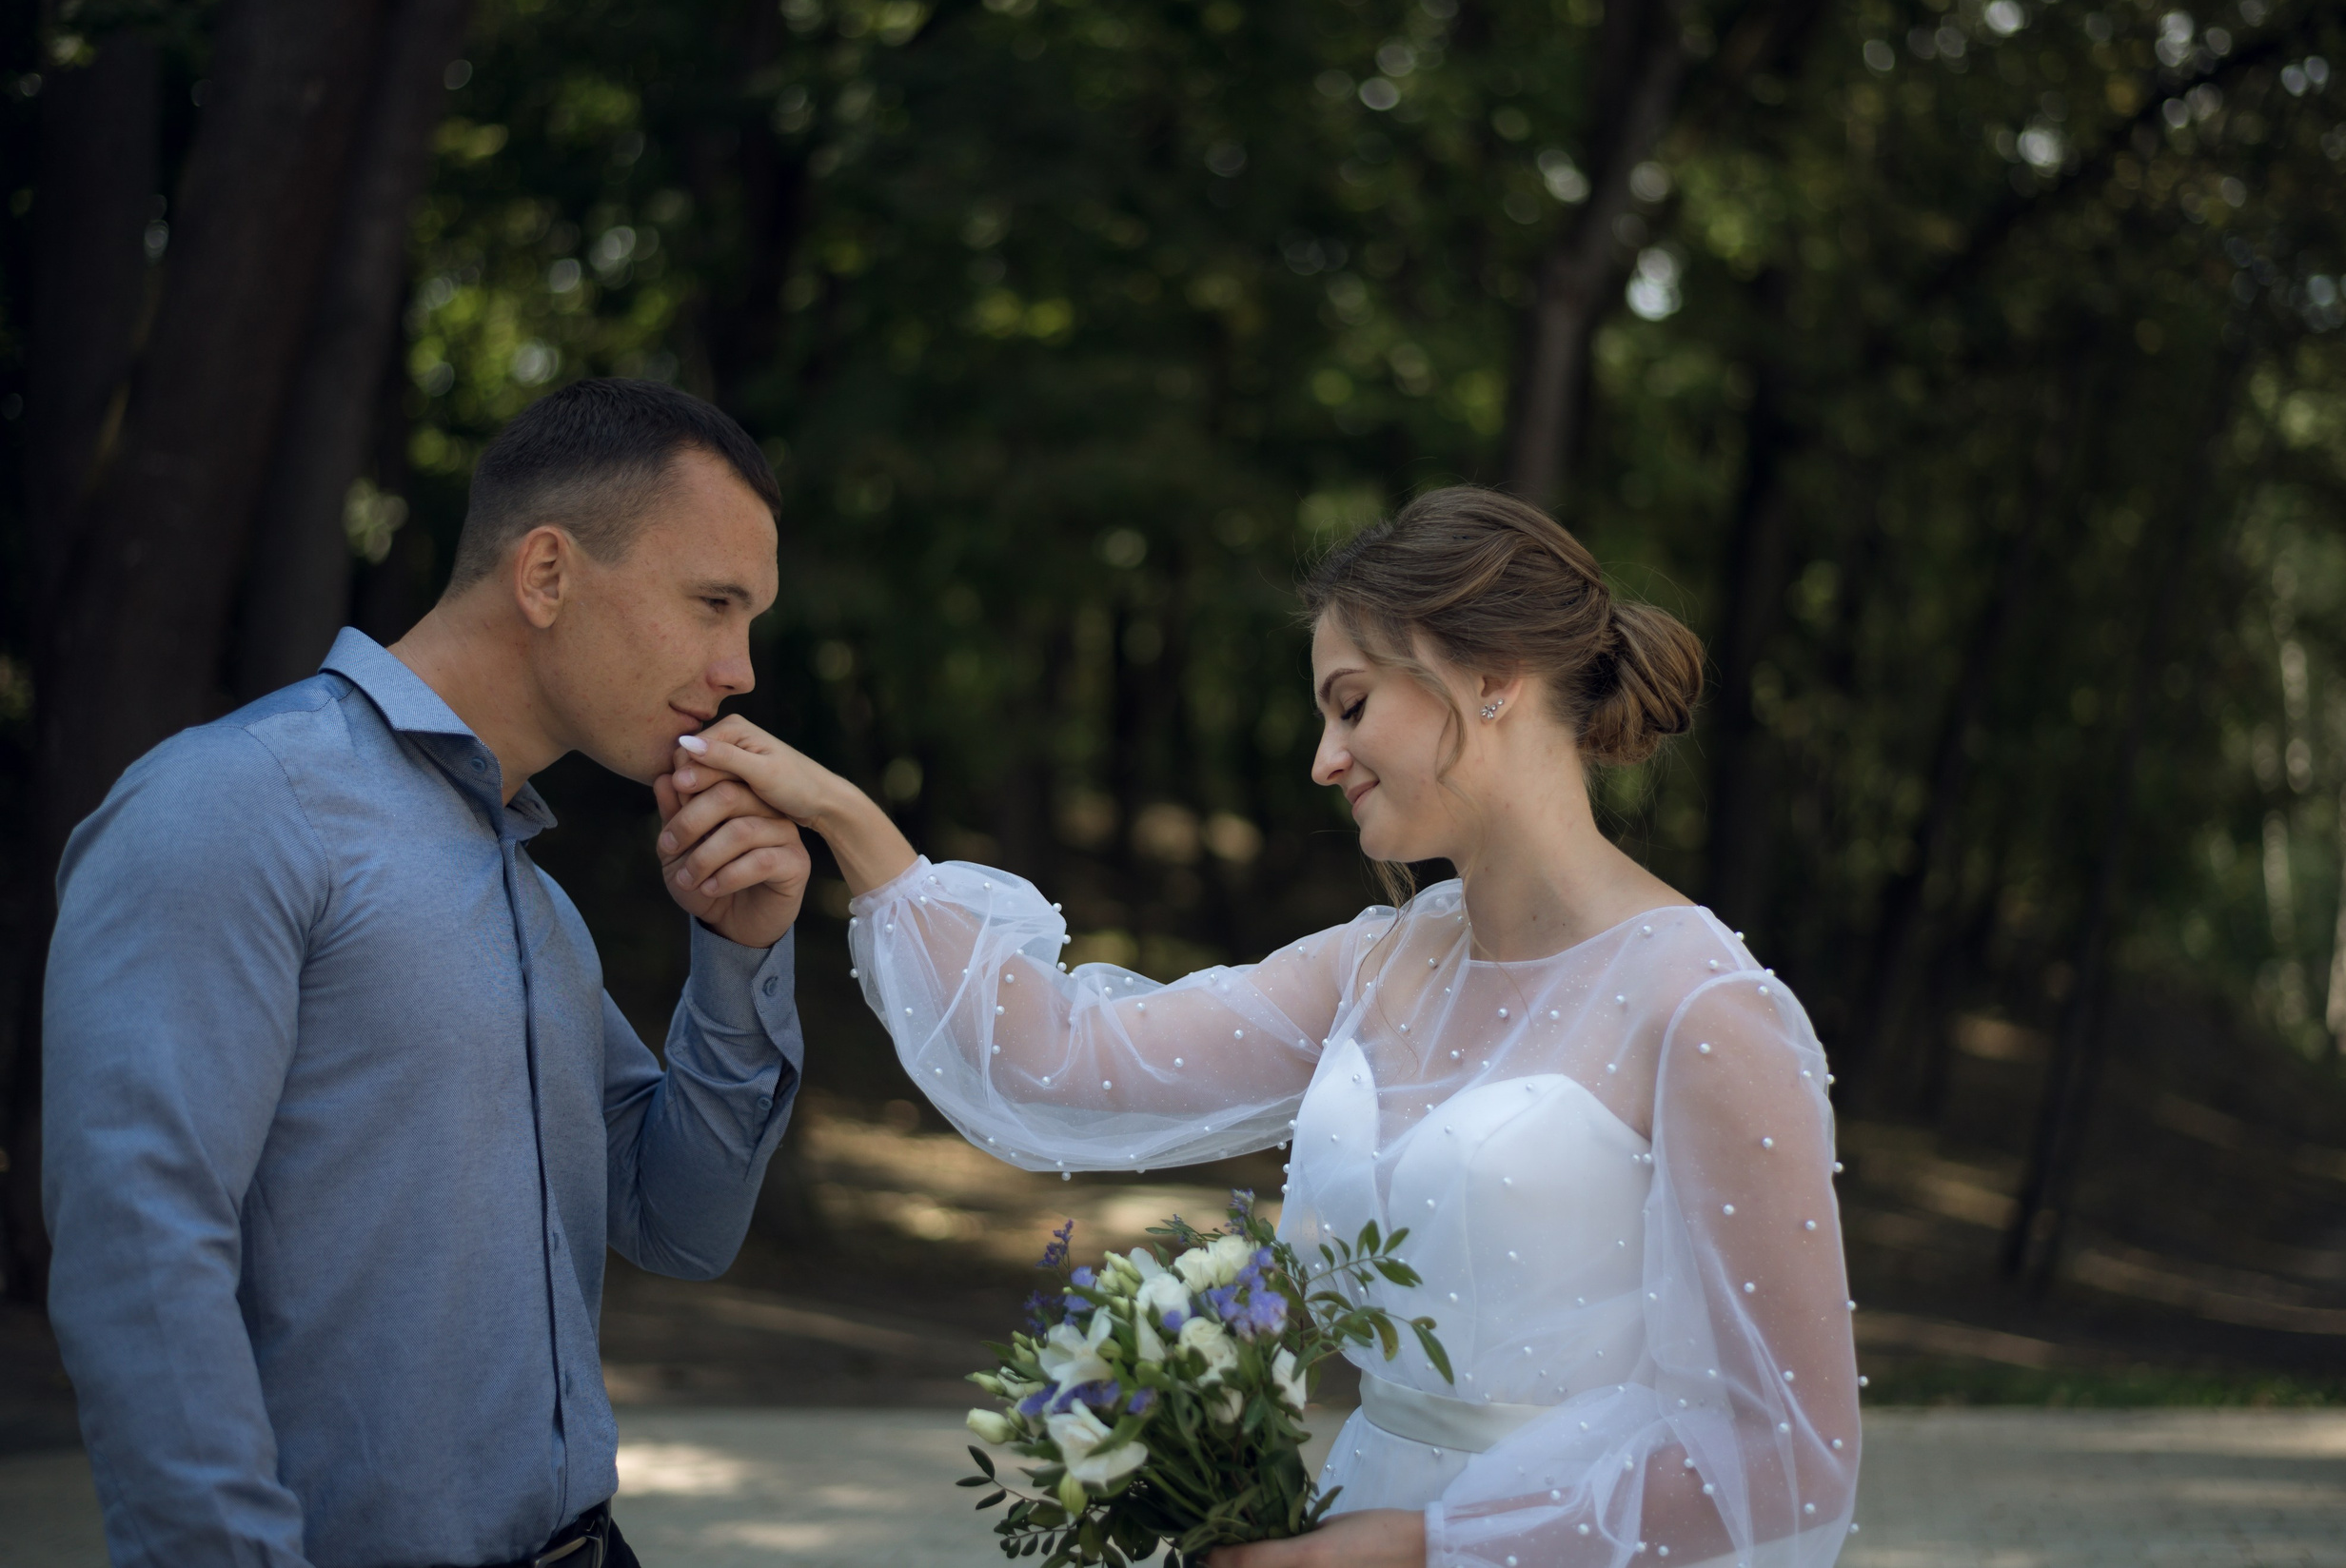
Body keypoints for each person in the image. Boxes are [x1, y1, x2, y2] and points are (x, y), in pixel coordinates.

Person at [665, 486, 1863, 1568]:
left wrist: (1431, 1545)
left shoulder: (1704, 1008)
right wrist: (852, 831)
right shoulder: (1379, 959)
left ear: (1491, 673)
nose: (1321, 758)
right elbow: (1068, 1056)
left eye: (1350, 706)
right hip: (1352, 1516)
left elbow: (1790, 1451)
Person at [44, 378, 814, 1568]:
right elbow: (138, 1245)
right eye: (714, 603)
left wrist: (740, 952)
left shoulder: (533, 898)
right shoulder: (236, 803)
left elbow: (681, 1221)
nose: (740, 667)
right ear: (546, 573)